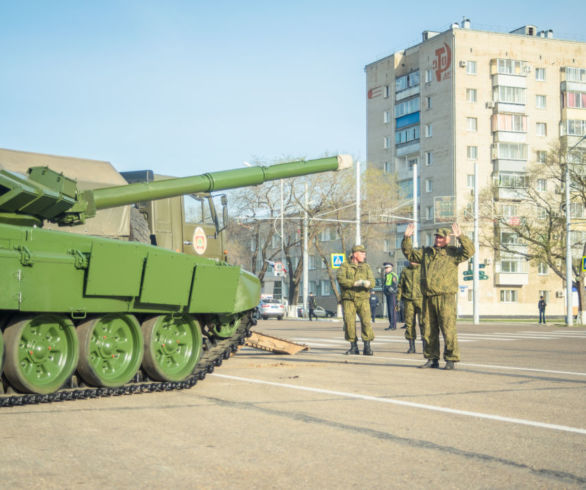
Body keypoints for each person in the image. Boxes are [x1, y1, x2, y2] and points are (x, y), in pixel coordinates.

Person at [402, 223, 474, 370]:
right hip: (428, 297)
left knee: (448, 329)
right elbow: (409, 253)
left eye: (441, 237)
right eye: (437, 237)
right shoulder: (427, 252)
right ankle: (431, 358)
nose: (438, 240)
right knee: (428, 329)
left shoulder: (453, 253)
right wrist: (406, 238)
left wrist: (461, 236)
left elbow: (470, 251)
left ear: (448, 239)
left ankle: (450, 359)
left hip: (445, 297)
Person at [337, 244, 375, 355]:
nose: (364, 255)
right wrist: (354, 283)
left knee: (366, 322)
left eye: (364, 253)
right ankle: (353, 347)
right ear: (355, 254)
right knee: (349, 323)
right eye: (362, 253)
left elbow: (372, 281)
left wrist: (367, 284)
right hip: (348, 299)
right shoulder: (345, 266)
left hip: (363, 298)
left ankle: (367, 347)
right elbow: (341, 279)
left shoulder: (366, 267)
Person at [397, 261, 424, 354]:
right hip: (408, 300)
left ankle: (426, 347)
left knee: (424, 324)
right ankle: (411, 346)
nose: (412, 261)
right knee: (409, 324)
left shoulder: (423, 269)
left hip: (421, 300)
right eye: (410, 259)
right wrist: (398, 299)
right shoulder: (405, 271)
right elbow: (400, 285)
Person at [382, 262, 399, 330]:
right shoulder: (386, 275)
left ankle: (393, 325)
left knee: (392, 310)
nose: (386, 269)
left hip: (392, 294)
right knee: (389, 310)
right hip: (388, 294)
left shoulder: (393, 275)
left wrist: (391, 289)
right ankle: (390, 324)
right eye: (385, 268)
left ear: (391, 268)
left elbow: (395, 285)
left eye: (387, 268)